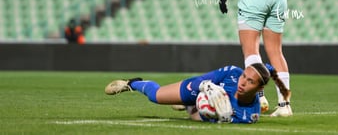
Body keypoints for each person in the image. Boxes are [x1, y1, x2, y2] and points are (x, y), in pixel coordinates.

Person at [104, 63, 289, 124]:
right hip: (201, 87)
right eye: (244, 77)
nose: (243, 83)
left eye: (250, 82)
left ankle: (188, 104)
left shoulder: (250, 114)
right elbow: (201, 79)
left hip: (203, 103)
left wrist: (206, 108)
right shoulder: (233, 73)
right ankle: (133, 83)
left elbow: (205, 118)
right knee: (157, 96)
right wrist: (206, 87)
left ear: (258, 89)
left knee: (194, 114)